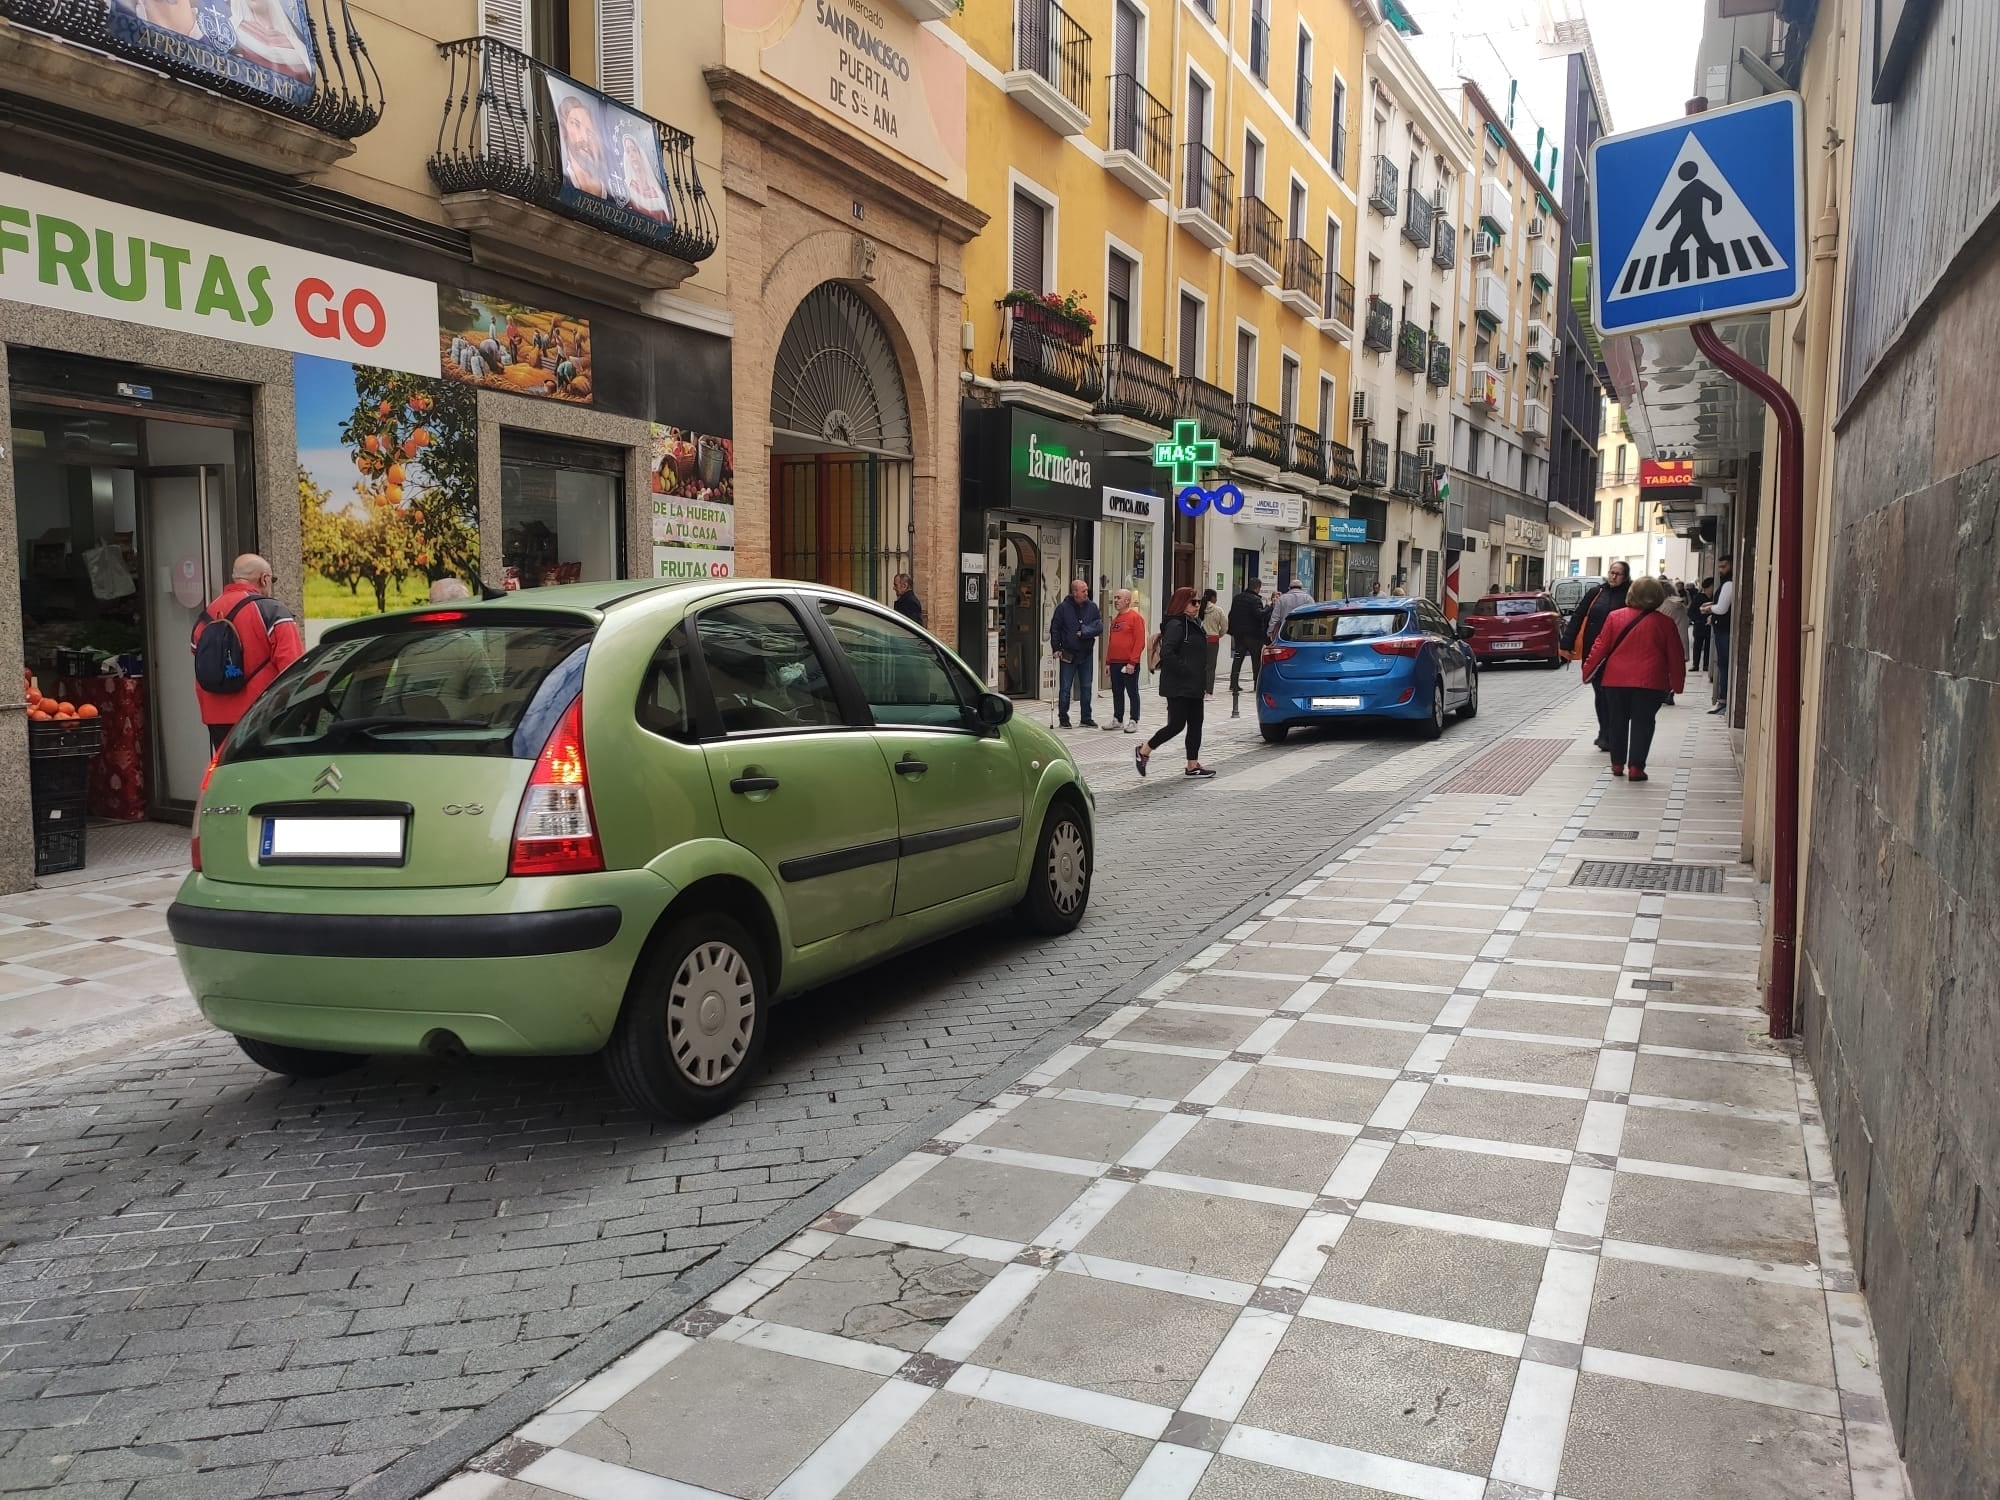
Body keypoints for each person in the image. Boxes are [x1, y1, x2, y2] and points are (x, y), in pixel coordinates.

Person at [194, 554, 304, 752]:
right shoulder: (273, 611)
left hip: (216, 718)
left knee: (230, 776)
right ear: (264, 579)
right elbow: (293, 667)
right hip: (261, 716)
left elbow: (195, 650)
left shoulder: (209, 612)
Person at [1583, 576, 1686, 782]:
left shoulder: (1615, 617)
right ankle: (1637, 767)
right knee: (1644, 722)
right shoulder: (1665, 623)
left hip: (1615, 680)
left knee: (1617, 721)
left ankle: (1617, 764)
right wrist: (1677, 684)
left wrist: (1587, 671)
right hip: (1651, 682)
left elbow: (1599, 647)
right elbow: (1675, 656)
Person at [1135, 588, 1213, 778]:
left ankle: (1192, 765)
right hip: (1179, 685)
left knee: (1196, 723)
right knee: (1176, 725)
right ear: (1181, 604)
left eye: (1198, 602)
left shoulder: (1194, 623)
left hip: (1194, 684)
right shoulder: (1176, 625)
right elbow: (1167, 653)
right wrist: (1185, 670)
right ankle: (1144, 750)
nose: (1197, 606)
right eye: (1193, 602)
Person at [389, 579, 499, 707]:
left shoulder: (410, 649)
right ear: (460, 605)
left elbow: (392, 701)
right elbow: (486, 702)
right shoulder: (468, 649)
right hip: (460, 725)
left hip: (407, 726)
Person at [1562, 560, 1630, 749]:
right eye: (1611, 572)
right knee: (1600, 693)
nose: (1613, 576)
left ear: (1626, 577)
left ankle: (1614, 732)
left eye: (1618, 574)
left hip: (1619, 652)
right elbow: (1578, 616)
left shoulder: (1630, 594)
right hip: (1594, 651)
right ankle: (1604, 733)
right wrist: (1567, 641)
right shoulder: (1596, 593)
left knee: (1615, 695)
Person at [1048, 578, 1103, 729]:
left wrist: (1085, 631)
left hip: (1086, 653)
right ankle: (1063, 718)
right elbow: (1055, 629)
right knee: (1065, 687)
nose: (1087, 593)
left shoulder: (1092, 607)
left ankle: (1086, 717)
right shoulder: (1063, 608)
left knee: (1086, 686)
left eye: (1087, 590)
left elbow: (1099, 626)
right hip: (1067, 653)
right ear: (1075, 592)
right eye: (1083, 590)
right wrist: (1056, 647)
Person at [1105, 588, 1146, 732]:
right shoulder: (1115, 620)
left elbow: (1140, 641)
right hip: (1115, 662)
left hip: (1128, 662)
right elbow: (1111, 641)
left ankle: (1134, 719)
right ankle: (1118, 719)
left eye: (1119, 598)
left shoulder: (1136, 618)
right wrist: (1108, 662)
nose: (1116, 600)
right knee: (1117, 691)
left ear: (1127, 600)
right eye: (1115, 598)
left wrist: (1132, 662)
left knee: (1132, 692)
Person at [1702, 555, 1735, 715]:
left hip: (1724, 630)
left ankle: (1723, 700)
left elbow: (1721, 608)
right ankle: (1723, 700)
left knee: (1723, 664)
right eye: (1720, 567)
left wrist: (1709, 609)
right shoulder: (1726, 583)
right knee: (1723, 664)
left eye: (1724, 566)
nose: (1721, 570)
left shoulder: (1728, 584)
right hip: (1722, 628)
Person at [1226, 577, 1268, 699]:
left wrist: (1233, 630)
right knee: (1256, 660)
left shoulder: (1237, 598)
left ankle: (1233, 684)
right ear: (1258, 587)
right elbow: (1259, 614)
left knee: (1238, 658)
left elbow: (1231, 614)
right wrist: (1269, 608)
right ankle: (1256, 684)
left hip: (1239, 635)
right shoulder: (1255, 600)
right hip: (1253, 635)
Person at [1658, 583, 1692, 705]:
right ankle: (1670, 692)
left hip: (1669, 641)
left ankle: (1666, 692)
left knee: (1664, 669)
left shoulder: (1664, 606)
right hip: (1681, 639)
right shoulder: (1679, 604)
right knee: (1673, 669)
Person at [1267, 576, 1314, 644]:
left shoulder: (1282, 599)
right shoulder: (1308, 598)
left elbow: (1275, 618)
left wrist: (1270, 632)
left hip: (1285, 633)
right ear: (1301, 588)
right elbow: (1312, 617)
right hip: (1304, 633)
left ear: (1289, 588)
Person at [1199, 589, 1228, 698]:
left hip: (1200, 640)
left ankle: (1200, 689)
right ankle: (1209, 692)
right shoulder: (1218, 610)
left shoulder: (1199, 608)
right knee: (1210, 667)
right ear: (1212, 598)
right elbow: (1225, 626)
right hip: (1213, 640)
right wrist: (1218, 634)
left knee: (1200, 666)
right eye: (1216, 597)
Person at [1688, 577, 1713, 671]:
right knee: (1697, 646)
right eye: (1712, 587)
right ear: (1707, 587)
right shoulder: (1698, 597)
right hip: (1699, 626)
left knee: (1708, 647)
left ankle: (1706, 665)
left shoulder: (1715, 597)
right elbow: (1690, 612)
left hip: (1710, 626)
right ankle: (1695, 665)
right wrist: (1697, 620)